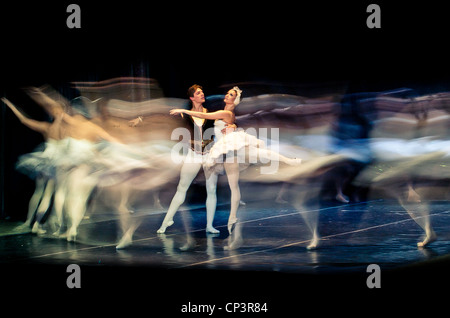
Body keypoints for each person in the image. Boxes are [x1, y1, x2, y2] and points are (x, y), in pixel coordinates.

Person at [169, 86, 302, 233]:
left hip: (231, 147)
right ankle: (232, 217)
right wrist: (233, 125)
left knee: (256, 156)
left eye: (230, 94)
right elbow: (217, 123)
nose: (226, 95)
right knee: (235, 182)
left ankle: (289, 161)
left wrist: (184, 111)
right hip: (225, 149)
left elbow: (205, 117)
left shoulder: (225, 112)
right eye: (227, 93)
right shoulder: (228, 113)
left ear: (234, 100)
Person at [156, 84, 235, 234]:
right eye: (199, 93)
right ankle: (166, 222)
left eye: (202, 92)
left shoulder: (210, 114)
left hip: (209, 156)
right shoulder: (184, 115)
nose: (202, 94)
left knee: (211, 190)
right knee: (181, 188)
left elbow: (230, 121)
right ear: (192, 97)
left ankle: (209, 226)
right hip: (193, 155)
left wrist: (232, 126)